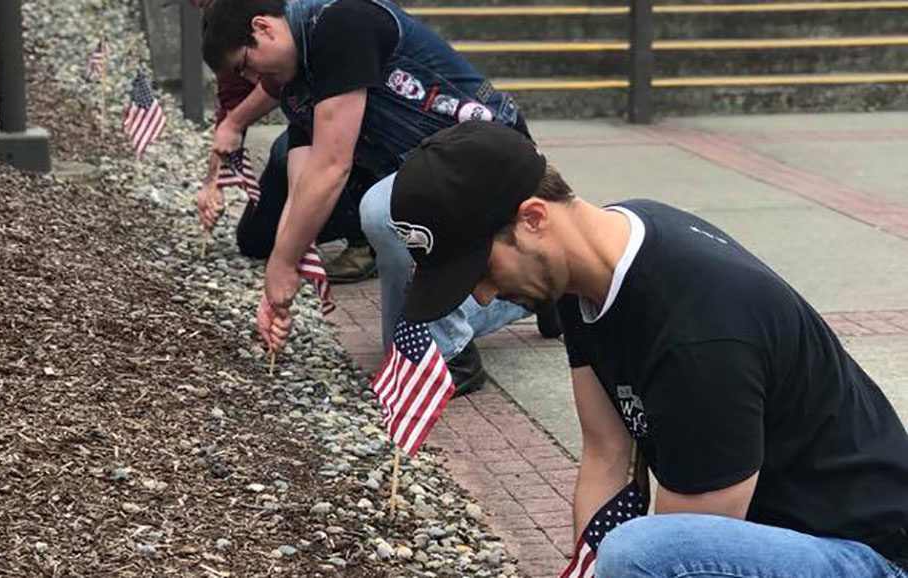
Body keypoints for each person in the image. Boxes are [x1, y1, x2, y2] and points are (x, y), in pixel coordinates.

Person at [389, 121, 908, 576]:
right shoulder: (585, 273)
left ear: (534, 218)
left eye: (482, 269)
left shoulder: (701, 332)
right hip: (779, 537)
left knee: (641, 554)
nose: (481, 295)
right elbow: (606, 454)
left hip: (865, 554)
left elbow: (681, 548)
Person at [200, 0, 559, 395]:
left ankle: (452, 356)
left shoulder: (340, 24)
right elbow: (303, 189)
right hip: (430, 177)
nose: (252, 80)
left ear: (263, 27)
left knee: (381, 211)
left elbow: (331, 167)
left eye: (245, 64)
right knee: (400, 347)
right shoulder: (297, 81)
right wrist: (278, 280)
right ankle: (533, 292)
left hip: (492, 154)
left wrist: (282, 266)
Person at [198, 70, 377, 281]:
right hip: (301, 126)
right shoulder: (230, 51)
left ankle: (364, 238)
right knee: (254, 240)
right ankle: (310, 229)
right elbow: (232, 113)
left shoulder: (305, 45)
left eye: (246, 63)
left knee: (292, 153)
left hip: (353, 121)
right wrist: (213, 183)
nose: (246, 72)